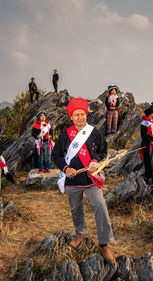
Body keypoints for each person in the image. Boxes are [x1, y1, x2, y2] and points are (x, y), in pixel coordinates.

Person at [52, 97, 116, 264]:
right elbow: (56, 155)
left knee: (100, 205)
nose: (80, 117)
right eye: (76, 115)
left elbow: (103, 150)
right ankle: (81, 234)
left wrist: (95, 161)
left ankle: (104, 243)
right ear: (71, 117)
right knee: (76, 209)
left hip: (90, 178)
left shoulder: (93, 132)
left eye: (82, 114)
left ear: (86, 115)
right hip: (72, 180)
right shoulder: (65, 135)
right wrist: (66, 169)